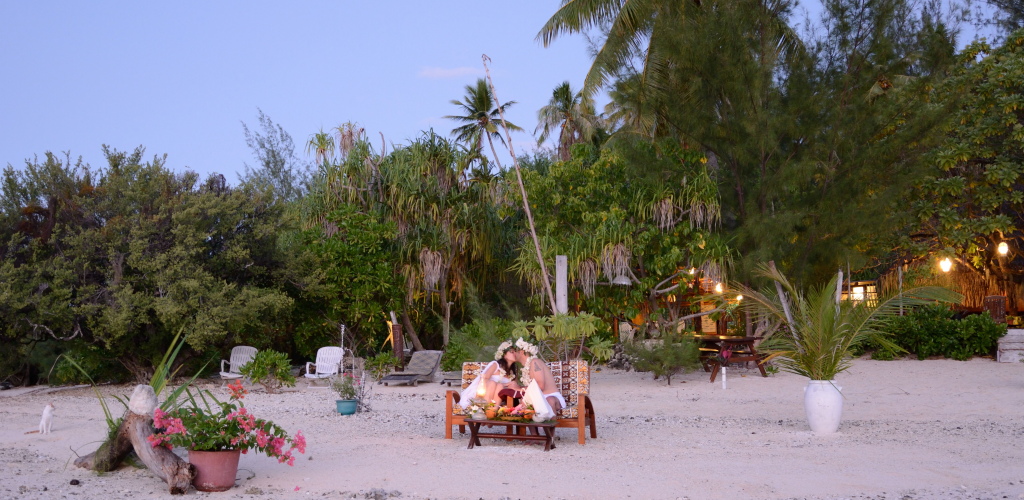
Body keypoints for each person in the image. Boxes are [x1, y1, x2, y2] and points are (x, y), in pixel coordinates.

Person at [502, 338, 565, 417]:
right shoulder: (524, 368)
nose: (513, 353)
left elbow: (540, 386)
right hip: (536, 398)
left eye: (514, 351)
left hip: (551, 396)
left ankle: (549, 428)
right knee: (523, 403)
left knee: (549, 400)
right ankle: (532, 429)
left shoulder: (535, 362)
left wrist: (519, 388)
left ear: (521, 352)